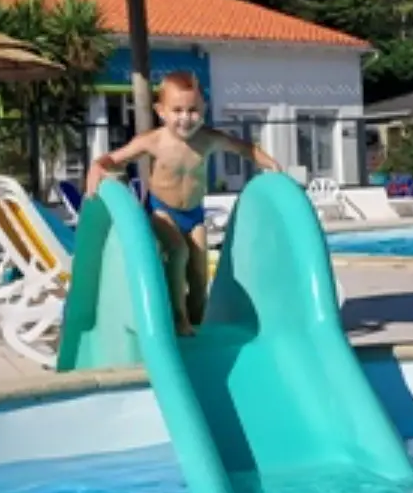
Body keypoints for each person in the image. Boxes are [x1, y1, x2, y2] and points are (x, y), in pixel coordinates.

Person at [85, 71, 282, 335]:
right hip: (160, 211)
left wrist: (271, 164)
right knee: (178, 253)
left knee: (200, 271)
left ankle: (197, 317)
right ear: (161, 111)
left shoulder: (209, 139)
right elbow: (115, 158)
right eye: (177, 110)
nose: (185, 118)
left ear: (204, 109)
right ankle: (177, 318)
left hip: (194, 214)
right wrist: (97, 167)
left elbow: (245, 148)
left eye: (193, 110)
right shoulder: (152, 141)